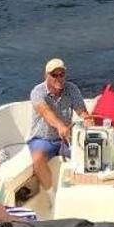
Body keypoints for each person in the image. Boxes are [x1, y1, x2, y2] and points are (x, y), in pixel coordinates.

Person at [28, 57, 87, 190]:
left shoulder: (71, 89)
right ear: (46, 76)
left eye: (62, 74)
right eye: (54, 75)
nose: (59, 78)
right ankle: (51, 195)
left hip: (66, 139)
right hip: (43, 139)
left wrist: (88, 121)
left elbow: (82, 111)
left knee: (88, 155)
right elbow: (45, 112)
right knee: (38, 159)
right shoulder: (38, 92)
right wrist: (60, 126)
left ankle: (81, 191)